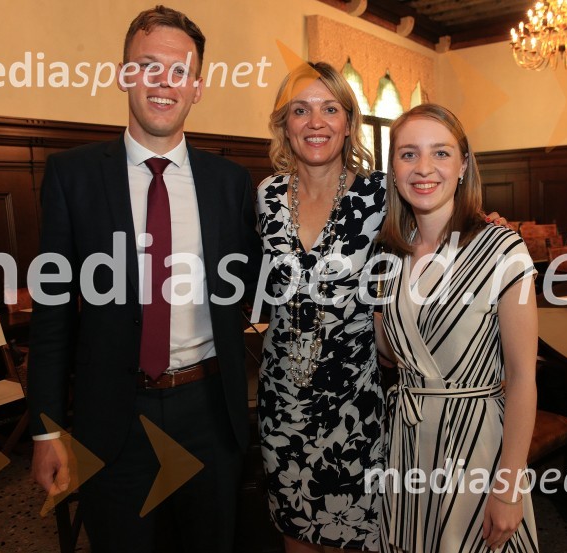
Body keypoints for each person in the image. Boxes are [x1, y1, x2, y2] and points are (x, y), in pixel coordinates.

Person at [28, 6, 261, 552]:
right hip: (113, 418)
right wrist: (43, 428)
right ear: (123, 74)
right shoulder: (72, 176)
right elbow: (52, 316)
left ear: (198, 87)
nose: (164, 83)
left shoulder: (230, 183)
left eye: (180, 71)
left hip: (210, 413)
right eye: (148, 66)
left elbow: (270, 271)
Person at [377, 104, 539, 552]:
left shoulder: (503, 248)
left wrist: (508, 486)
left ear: (464, 164)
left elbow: (524, 378)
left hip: (476, 444)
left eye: (441, 153)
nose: (424, 168)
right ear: (392, 168)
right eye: (408, 154)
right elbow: (394, 352)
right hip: (407, 443)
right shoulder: (391, 255)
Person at [255, 61, 385, 552]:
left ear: (349, 121)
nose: (316, 122)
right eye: (300, 110)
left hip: (352, 400)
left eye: (330, 109)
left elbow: (441, 234)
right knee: (295, 534)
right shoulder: (266, 196)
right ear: (284, 124)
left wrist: (489, 225)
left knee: (353, 536)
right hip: (281, 397)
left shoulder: (379, 194)